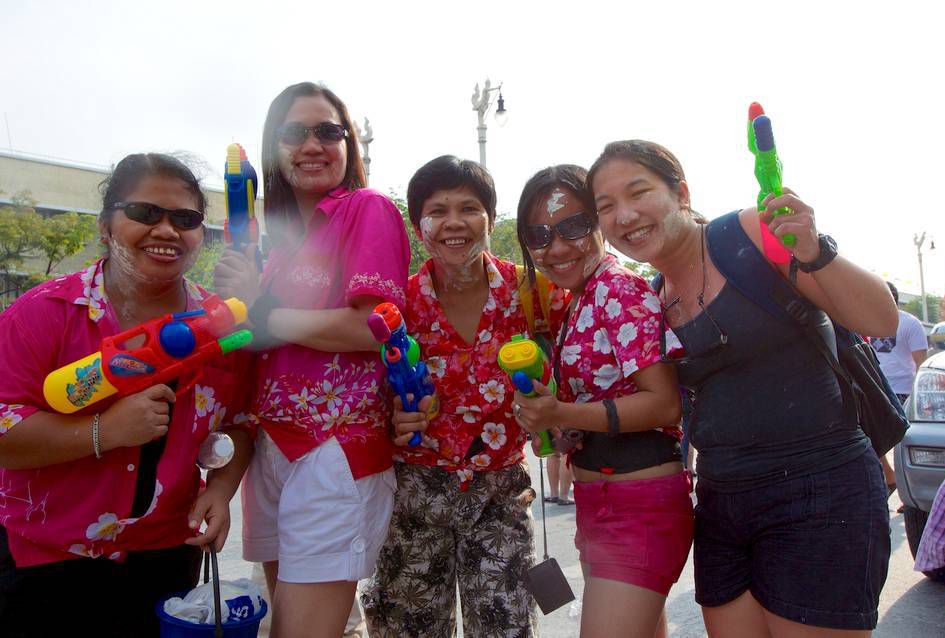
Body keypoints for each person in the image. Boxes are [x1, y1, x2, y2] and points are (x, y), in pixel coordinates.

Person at [587, 139, 898, 636]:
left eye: (637, 192)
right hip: (722, 501)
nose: (623, 216)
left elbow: (881, 319)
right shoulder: (650, 298)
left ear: (681, 192)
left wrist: (815, 251)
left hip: (820, 486)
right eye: (606, 207)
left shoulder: (748, 234)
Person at [0, 153, 255, 636]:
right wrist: (103, 431)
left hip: (166, 557)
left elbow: (241, 423)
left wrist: (221, 490)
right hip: (44, 558)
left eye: (185, 219)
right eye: (144, 213)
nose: (166, 230)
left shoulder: (221, 326)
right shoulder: (43, 313)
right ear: (105, 225)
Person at [213, 82, 410, 638]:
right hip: (270, 449)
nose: (312, 144)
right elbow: (250, 341)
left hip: (333, 451)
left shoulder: (365, 210)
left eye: (329, 131)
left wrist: (263, 314)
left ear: (350, 145)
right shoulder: (277, 247)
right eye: (294, 132)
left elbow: (371, 328)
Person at [361, 155, 566, 637]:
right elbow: (364, 393)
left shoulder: (533, 292)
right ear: (418, 228)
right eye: (438, 210)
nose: (455, 222)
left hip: (500, 495)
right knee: (405, 630)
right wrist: (392, 418)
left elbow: (578, 363)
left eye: (469, 208)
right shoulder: (397, 306)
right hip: (414, 497)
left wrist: (555, 411)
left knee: (506, 629)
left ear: (490, 220)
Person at [513, 165, 690, 638]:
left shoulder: (618, 287)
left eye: (573, 226)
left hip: (636, 507)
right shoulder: (580, 300)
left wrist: (560, 413)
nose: (556, 246)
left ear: (598, 224)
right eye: (539, 234)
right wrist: (556, 425)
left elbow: (664, 404)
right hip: (602, 502)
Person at [871, 281, 927, 496]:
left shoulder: (910, 324)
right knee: (873, 433)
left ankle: (906, 491)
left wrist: (919, 395)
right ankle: (890, 475)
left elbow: (920, 361)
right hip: (878, 386)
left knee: (903, 443)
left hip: (903, 389)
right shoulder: (864, 319)